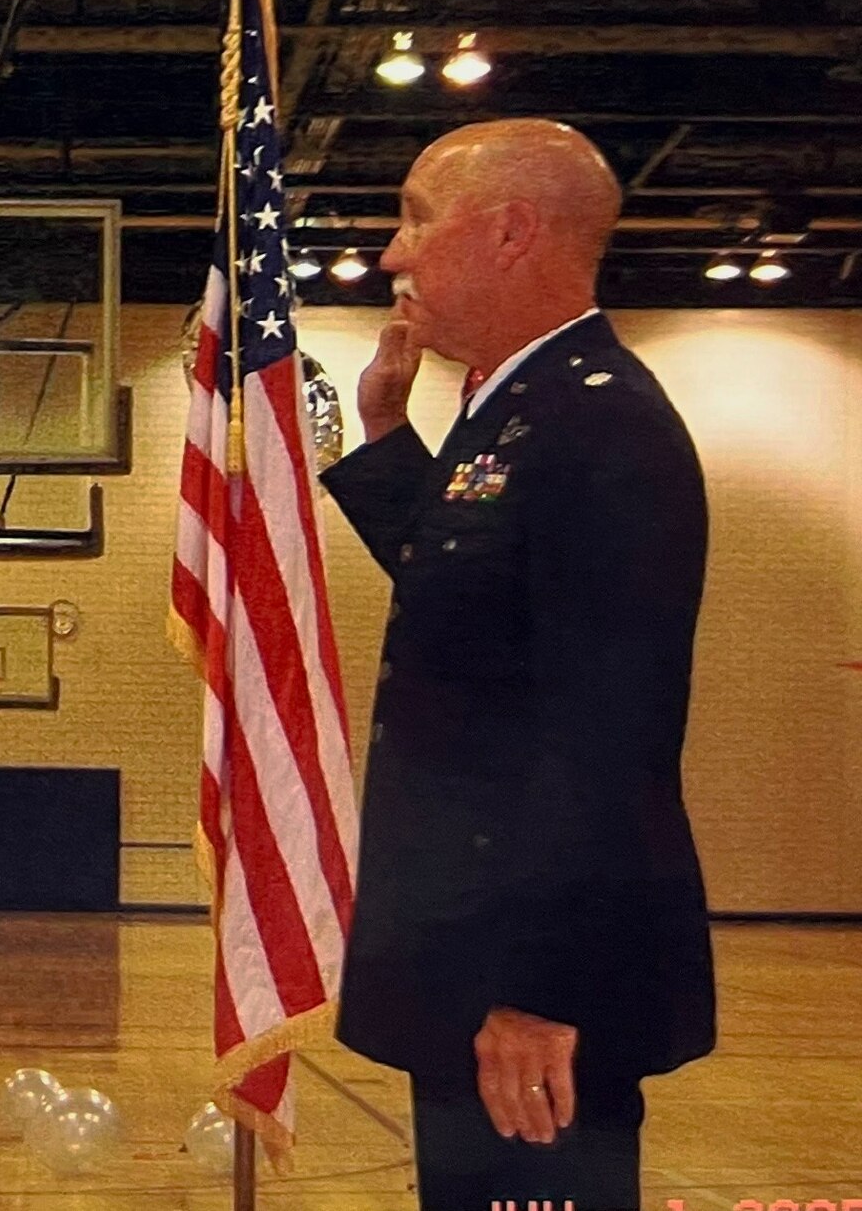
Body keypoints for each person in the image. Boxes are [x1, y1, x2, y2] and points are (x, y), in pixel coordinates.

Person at [319, 120, 715, 1211]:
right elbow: (466, 606)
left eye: (413, 217)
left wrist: (539, 987)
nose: (391, 253)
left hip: (527, 978)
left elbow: (606, 733)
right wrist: (387, 433)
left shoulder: (601, 426)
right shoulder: (520, 409)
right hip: (471, 952)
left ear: (507, 232)